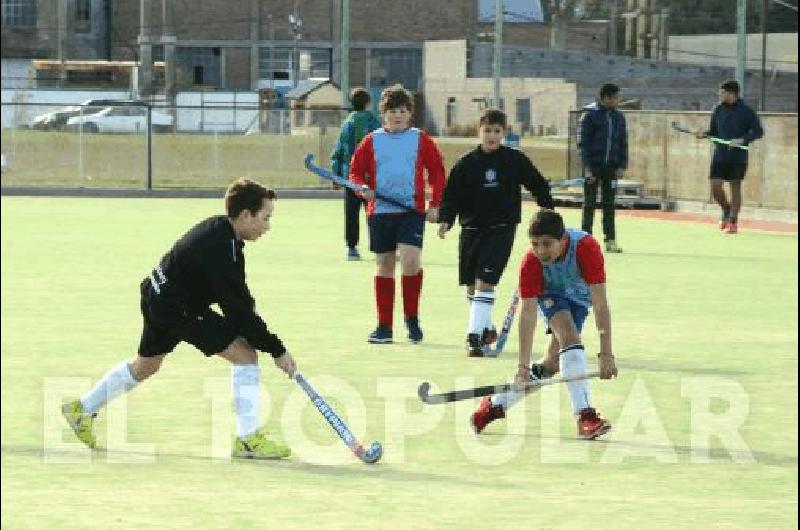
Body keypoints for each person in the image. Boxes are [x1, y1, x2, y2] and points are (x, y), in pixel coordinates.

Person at [61, 179, 298, 459]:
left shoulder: (220, 230)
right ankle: (248, 439)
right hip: (176, 307)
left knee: (145, 365)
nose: (267, 227)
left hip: (155, 294)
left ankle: (82, 409)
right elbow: (240, 311)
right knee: (246, 356)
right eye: (265, 218)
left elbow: (239, 304)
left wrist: (258, 334)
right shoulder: (221, 248)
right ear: (245, 215)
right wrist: (277, 350)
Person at [470, 209, 618, 440]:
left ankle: (496, 404)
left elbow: (600, 304)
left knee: (551, 364)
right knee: (569, 337)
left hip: (580, 301)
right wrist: (522, 368)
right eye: (535, 244)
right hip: (550, 295)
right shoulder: (531, 262)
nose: (540, 251)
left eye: (547, 244)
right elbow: (527, 316)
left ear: (563, 240)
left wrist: (606, 353)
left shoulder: (586, 248)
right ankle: (585, 416)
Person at [438, 109, 555, 357]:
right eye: (487, 130)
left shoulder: (514, 160)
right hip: (471, 229)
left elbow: (536, 182)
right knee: (472, 288)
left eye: (497, 131)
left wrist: (547, 208)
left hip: (501, 229)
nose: (492, 136)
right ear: (478, 132)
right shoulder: (466, 164)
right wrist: (446, 219)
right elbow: (451, 195)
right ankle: (487, 328)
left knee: (485, 282)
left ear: (504, 133)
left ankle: (474, 338)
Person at [349, 84, 445, 344]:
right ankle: (384, 326)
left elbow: (437, 172)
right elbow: (355, 172)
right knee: (385, 265)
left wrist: (435, 204)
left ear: (410, 114)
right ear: (384, 114)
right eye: (392, 111)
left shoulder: (421, 139)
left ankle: (412, 320)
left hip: (411, 211)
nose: (397, 116)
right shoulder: (372, 140)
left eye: (403, 111)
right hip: (380, 212)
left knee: (411, 261)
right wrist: (362, 189)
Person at [696, 79, 764, 234]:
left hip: (738, 156)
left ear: (732, 94)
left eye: (722, 92)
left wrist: (743, 139)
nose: (719, 95)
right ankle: (726, 209)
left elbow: (758, 132)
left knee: (735, 186)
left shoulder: (747, 111)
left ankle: (733, 221)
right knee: (715, 185)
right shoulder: (718, 109)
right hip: (720, 154)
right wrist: (704, 134)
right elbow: (713, 131)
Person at [331, 87, 382, 260]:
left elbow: (338, 151)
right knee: (374, 212)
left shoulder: (347, 124)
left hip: (350, 178)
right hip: (371, 178)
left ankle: (352, 248)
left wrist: (335, 175)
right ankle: (378, 247)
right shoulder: (374, 123)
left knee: (351, 214)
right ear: (368, 103)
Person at [579, 83, 628, 253]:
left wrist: (622, 165)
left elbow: (623, 143)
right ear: (604, 98)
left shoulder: (619, 117)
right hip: (593, 167)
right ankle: (585, 240)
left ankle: (610, 240)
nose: (616, 101)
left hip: (611, 168)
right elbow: (583, 144)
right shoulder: (589, 116)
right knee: (589, 204)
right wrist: (587, 168)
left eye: (617, 98)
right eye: (613, 98)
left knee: (609, 205)